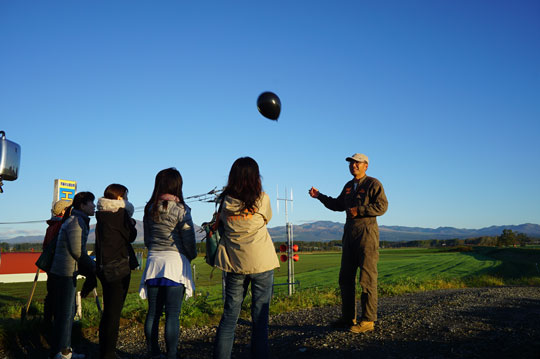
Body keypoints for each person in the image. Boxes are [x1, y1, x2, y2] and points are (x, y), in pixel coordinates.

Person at [309, 153, 388, 333]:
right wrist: (319, 196)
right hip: (349, 235)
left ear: (366, 166)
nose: (354, 166)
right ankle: (348, 318)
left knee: (367, 279)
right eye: (352, 163)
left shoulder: (373, 184)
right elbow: (338, 204)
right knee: (345, 278)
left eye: (357, 163)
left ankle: (368, 320)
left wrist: (359, 210)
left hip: (367, 235)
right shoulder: (348, 186)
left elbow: (382, 206)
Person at [213, 157, 279, 359]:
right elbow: (267, 219)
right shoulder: (262, 199)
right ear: (255, 176)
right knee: (260, 318)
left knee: (230, 317)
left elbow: (221, 225)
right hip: (261, 262)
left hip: (234, 264)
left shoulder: (224, 202)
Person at [139, 168, 197, 359]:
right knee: (172, 314)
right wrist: (192, 254)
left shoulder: (149, 209)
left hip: (153, 263)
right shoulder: (181, 209)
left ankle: (152, 353)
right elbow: (188, 240)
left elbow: (147, 239)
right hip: (175, 264)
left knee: (153, 313)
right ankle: (172, 354)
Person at [49, 191, 96, 359]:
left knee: (65, 312)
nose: (94, 206)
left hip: (63, 270)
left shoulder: (74, 219)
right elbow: (78, 252)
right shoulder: (77, 222)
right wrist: (93, 267)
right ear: (82, 205)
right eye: (91, 203)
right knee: (66, 313)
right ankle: (63, 352)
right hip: (66, 272)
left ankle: (61, 349)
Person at [95, 184, 137, 359]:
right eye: (125, 196)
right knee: (114, 312)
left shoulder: (101, 215)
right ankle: (109, 353)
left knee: (108, 311)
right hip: (119, 267)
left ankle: (104, 349)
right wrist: (131, 221)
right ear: (120, 198)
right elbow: (132, 236)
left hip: (104, 266)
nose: (127, 199)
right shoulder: (120, 214)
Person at [42, 199, 71, 328]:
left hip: (50, 267)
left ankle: (47, 323)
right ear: (64, 211)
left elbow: (45, 247)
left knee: (51, 295)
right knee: (62, 299)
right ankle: (60, 331)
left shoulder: (50, 227)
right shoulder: (62, 225)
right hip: (61, 267)